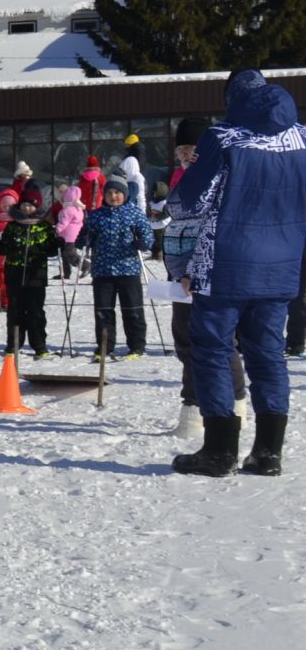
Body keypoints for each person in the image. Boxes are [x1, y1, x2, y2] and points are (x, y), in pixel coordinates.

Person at [171, 69, 306, 477]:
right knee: (267, 353)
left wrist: (189, 178)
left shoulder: (223, 137)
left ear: (231, 97)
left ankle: (219, 451)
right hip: (282, 264)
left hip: (225, 262)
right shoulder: (301, 136)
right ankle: (268, 452)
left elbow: (186, 204)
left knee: (211, 350)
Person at [163, 117, 246, 438]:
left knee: (220, 342)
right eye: (181, 149)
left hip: (209, 272)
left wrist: (194, 270)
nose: (185, 154)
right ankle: (193, 408)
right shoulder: (180, 178)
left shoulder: (218, 178)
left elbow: (213, 229)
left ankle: (235, 403)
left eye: (191, 148)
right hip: (178, 272)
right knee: (185, 340)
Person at [79, 179, 154, 360]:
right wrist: (83, 238)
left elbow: (147, 233)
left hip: (128, 269)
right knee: (104, 310)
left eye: (117, 192)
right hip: (103, 270)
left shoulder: (134, 213)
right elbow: (86, 233)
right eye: (109, 193)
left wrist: (143, 243)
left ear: (125, 194)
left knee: (132, 309)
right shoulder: (96, 215)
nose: (113, 196)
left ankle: (136, 346)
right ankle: (105, 346)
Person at [0, 185, 61, 359]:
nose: (27, 208)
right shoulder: (13, 227)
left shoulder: (44, 227)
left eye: (31, 205)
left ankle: (39, 345)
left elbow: (51, 251)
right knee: (15, 310)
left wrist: (57, 243)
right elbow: (3, 249)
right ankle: (13, 343)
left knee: (36, 311)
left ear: (37, 207)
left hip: (36, 275)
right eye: (24, 205)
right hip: (14, 273)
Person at [54, 185, 86, 279]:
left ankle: (85, 265)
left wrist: (57, 229)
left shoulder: (68, 209)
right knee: (65, 253)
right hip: (73, 235)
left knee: (69, 254)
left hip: (67, 235)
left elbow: (63, 222)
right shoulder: (78, 208)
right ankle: (65, 272)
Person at [118, 135, 147, 206]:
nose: (126, 146)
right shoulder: (139, 151)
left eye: (127, 144)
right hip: (139, 173)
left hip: (133, 175)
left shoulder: (133, 153)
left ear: (130, 143)